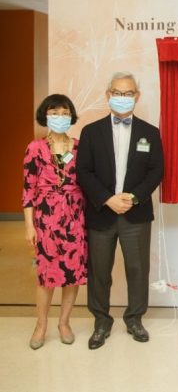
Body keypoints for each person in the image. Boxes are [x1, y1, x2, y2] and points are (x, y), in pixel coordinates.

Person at [76, 72, 164, 349]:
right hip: (101, 213)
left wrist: (134, 197)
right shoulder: (91, 131)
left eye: (128, 93)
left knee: (137, 269)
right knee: (99, 271)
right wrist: (107, 199)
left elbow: (156, 170)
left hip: (135, 213)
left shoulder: (150, 132)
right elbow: (83, 172)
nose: (122, 98)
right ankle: (101, 322)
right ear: (107, 95)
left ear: (137, 97)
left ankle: (134, 319)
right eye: (117, 92)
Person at [22, 94, 87, 350]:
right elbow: (28, 190)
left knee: (72, 273)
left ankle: (64, 322)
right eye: (54, 112)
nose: (59, 117)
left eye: (64, 112)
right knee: (46, 275)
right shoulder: (35, 148)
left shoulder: (80, 146)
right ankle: (41, 325)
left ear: (71, 115)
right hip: (46, 218)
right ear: (45, 115)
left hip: (76, 217)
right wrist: (29, 226)